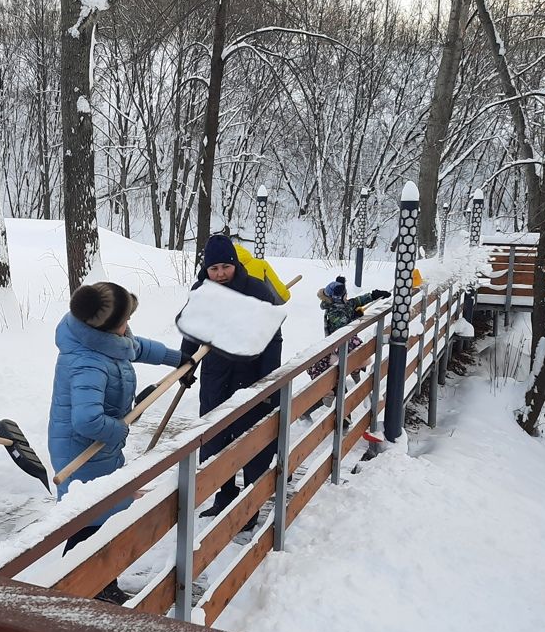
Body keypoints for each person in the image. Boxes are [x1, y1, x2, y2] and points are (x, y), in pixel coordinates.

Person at [49, 282, 183, 603]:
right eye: (126, 318)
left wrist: (179, 358)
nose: (129, 327)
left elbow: (139, 348)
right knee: (89, 523)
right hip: (80, 452)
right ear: (109, 325)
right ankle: (83, 587)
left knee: (104, 517)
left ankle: (96, 584)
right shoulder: (88, 363)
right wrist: (121, 429)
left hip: (101, 448)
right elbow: (86, 420)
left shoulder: (107, 340)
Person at [185, 233, 283, 522]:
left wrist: (267, 383)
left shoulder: (256, 291)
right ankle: (223, 496)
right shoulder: (201, 291)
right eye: (213, 269)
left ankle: (250, 506)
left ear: (234, 264)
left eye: (225, 267)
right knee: (216, 440)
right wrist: (186, 364)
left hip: (250, 377)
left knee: (250, 440)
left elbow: (272, 339)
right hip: (215, 376)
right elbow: (192, 328)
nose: (220, 274)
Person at [306, 276, 390, 385]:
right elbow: (343, 328)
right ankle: (330, 390)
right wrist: (355, 316)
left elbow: (358, 300)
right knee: (352, 351)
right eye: (345, 295)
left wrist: (374, 295)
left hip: (348, 343)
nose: (347, 297)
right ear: (337, 298)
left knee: (356, 350)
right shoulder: (333, 313)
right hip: (337, 344)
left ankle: (356, 376)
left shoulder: (346, 304)